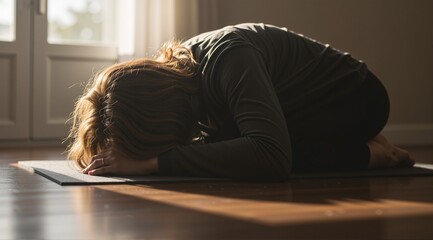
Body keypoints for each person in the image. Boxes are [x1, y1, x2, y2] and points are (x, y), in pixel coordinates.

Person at [67, 23, 415, 180]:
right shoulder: (188, 82)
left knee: (268, 153)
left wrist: (154, 163)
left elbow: (272, 156)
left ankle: (373, 153)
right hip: (298, 108)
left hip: (356, 97)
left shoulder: (228, 58)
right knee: (227, 146)